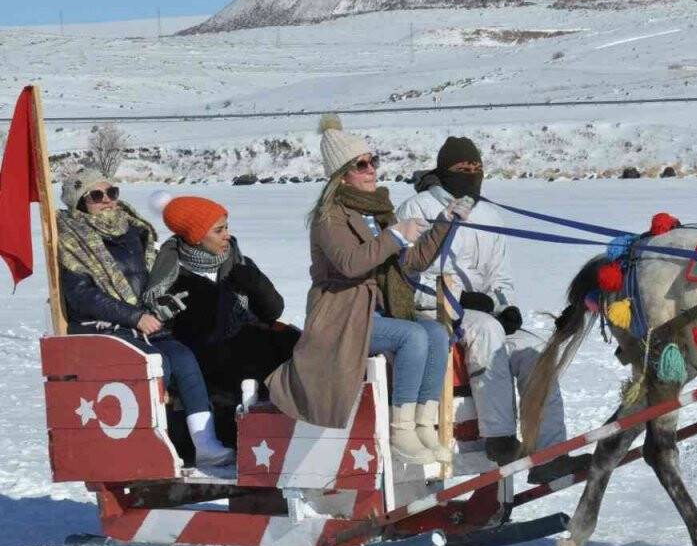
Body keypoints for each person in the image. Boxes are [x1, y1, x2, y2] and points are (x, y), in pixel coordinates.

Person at [267, 115, 471, 465]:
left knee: (436, 333)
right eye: (361, 165)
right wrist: (393, 236)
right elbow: (349, 263)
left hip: (376, 309)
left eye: (373, 161)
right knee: (412, 337)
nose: (371, 170)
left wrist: (445, 222)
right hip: (341, 314)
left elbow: (412, 261)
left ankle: (423, 424)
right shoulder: (329, 216)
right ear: (342, 175)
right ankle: (400, 430)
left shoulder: (378, 211)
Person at [399, 136, 588, 484]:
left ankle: (548, 452)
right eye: (462, 169)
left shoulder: (489, 214)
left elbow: (499, 277)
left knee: (534, 349)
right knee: (486, 331)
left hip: (482, 313)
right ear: (444, 170)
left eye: (476, 168)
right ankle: (498, 439)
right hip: (434, 311)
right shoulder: (418, 208)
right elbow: (410, 275)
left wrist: (505, 306)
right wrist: (464, 301)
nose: (471, 174)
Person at [56, 169, 234, 467]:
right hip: (106, 327)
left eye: (111, 192)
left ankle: (206, 444)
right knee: (154, 363)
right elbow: (82, 295)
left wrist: (160, 303)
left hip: (144, 324)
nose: (108, 201)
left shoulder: (133, 230)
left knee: (184, 359)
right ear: (80, 203)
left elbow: (149, 279)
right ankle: (152, 444)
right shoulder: (73, 241)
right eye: (96, 196)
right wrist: (134, 316)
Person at [148, 194, 300, 423]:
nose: (227, 236)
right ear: (196, 237)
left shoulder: (238, 262)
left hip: (249, 341)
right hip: (211, 363)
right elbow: (192, 335)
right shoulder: (173, 277)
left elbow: (273, 311)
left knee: (297, 343)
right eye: (218, 231)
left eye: (226, 227)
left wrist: (256, 283)